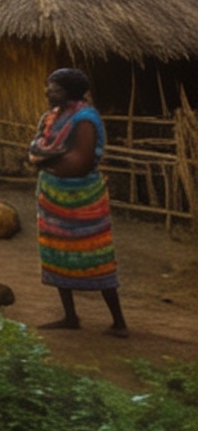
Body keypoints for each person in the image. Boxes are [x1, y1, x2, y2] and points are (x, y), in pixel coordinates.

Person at [27, 66, 127, 336]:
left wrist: (45, 160)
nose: (48, 91)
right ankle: (70, 316)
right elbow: (35, 149)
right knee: (57, 253)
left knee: (96, 255)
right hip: (53, 197)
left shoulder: (85, 118)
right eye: (49, 86)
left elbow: (79, 163)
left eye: (54, 87)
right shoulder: (51, 117)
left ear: (69, 91)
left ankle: (119, 321)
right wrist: (48, 158)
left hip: (82, 199)